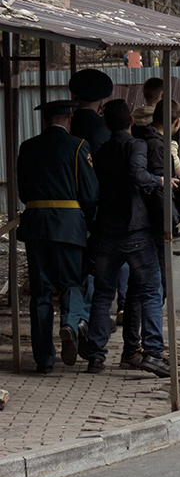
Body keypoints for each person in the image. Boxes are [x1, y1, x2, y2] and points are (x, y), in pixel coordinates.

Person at [85, 99, 170, 378]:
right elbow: (137, 175)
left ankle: (96, 355)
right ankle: (154, 353)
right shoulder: (137, 145)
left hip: (105, 230)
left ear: (107, 124)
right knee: (150, 290)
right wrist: (159, 181)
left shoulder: (102, 150)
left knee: (102, 294)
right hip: (134, 229)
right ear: (131, 121)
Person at [17, 99, 99, 372]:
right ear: (68, 119)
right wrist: (86, 221)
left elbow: (23, 192)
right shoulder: (78, 147)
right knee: (71, 282)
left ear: (45, 121)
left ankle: (44, 359)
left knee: (40, 291)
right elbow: (89, 193)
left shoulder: (27, 148)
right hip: (68, 225)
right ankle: (68, 323)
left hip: (36, 225)